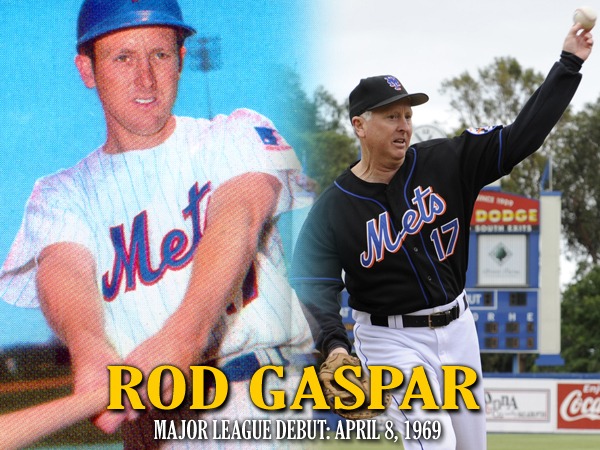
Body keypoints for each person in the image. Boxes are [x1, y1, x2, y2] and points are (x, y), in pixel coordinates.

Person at [0, 0, 313, 448]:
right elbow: (63, 268)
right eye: (122, 57)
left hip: (254, 394)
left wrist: (183, 335)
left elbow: (237, 219)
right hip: (147, 425)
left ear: (182, 60)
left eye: (160, 55)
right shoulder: (58, 193)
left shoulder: (236, 133)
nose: (145, 78)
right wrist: (89, 348)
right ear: (87, 70)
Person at [290, 23, 593, 449]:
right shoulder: (333, 209)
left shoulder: (448, 162)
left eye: (409, 115)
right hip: (389, 340)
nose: (404, 125)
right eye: (391, 115)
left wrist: (569, 64)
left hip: (459, 328)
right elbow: (312, 283)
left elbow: (523, 136)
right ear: (360, 125)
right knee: (437, 442)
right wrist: (335, 345)